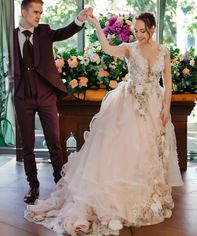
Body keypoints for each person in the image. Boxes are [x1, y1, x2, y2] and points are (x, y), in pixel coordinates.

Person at [24, 10, 183, 235]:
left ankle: (146, 196)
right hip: (129, 106)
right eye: (136, 30)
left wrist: (166, 108)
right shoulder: (130, 48)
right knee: (127, 151)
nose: (139, 35)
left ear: (153, 29)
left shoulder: (163, 51)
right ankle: (122, 198)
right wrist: (97, 25)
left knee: (149, 152)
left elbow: (168, 84)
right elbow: (107, 49)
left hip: (155, 107)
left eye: (143, 31)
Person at [13, 0, 89, 204]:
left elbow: (64, 32)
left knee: (55, 143)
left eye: (41, 12)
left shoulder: (44, 31)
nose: (39, 16)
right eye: (35, 12)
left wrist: (79, 19)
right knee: (27, 146)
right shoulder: (11, 37)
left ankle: (60, 184)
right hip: (23, 99)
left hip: (46, 97)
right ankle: (33, 186)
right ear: (24, 11)